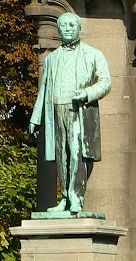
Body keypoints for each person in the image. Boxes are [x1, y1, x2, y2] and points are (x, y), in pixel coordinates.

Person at [29, 12, 111, 214]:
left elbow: (106, 82)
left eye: (71, 25)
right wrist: (35, 117)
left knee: (76, 154)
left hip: (79, 111)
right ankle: (65, 197)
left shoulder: (93, 54)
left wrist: (86, 93)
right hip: (55, 110)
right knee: (60, 156)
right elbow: (44, 90)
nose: (67, 28)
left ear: (79, 28)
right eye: (63, 25)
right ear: (58, 30)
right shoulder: (51, 59)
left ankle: (76, 197)